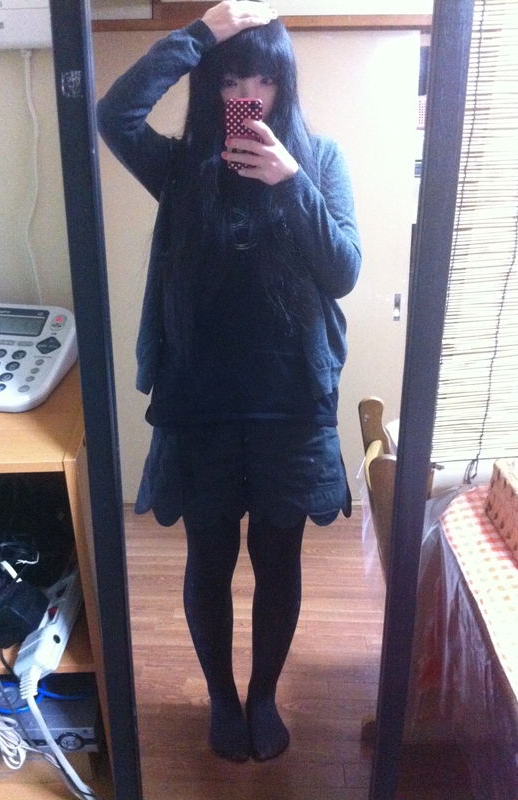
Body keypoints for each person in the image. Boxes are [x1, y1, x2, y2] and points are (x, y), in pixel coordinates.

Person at [97, 0, 361, 764]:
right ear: (210, 85)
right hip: (201, 407)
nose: (248, 94)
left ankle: (264, 695)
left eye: (263, 79)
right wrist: (198, 36)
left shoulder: (321, 160)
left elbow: (344, 271)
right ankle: (220, 695)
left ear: (285, 84)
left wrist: (290, 181)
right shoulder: (183, 166)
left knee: (279, 563)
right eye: (230, 79)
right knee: (208, 561)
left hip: (291, 407)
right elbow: (114, 115)